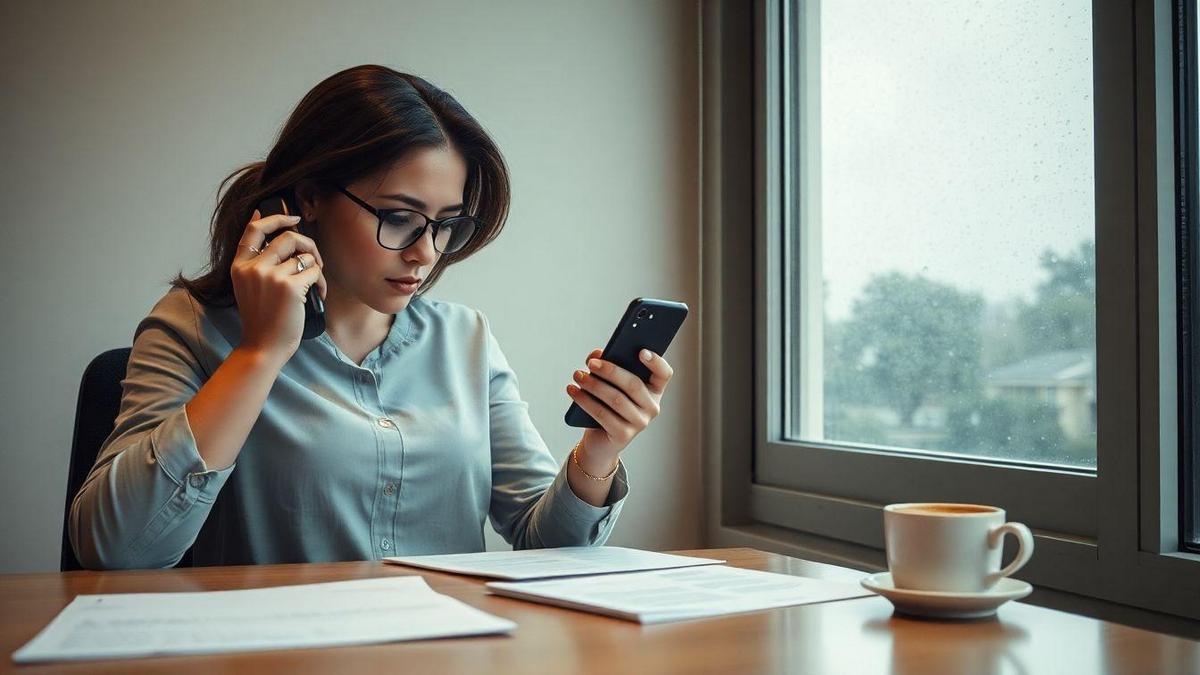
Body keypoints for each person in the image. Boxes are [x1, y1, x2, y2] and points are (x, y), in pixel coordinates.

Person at [69, 65, 675, 569]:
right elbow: (114, 553)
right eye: (399, 216)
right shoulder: (194, 327)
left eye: (445, 224)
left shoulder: (466, 339)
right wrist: (259, 355)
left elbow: (545, 550)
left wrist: (600, 448)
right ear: (308, 198)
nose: (425, 252)